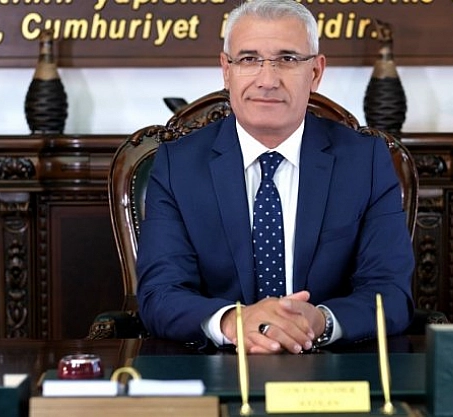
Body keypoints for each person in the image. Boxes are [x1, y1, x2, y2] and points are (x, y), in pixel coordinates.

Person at [136, 0, 414, 354]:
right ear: (226, 70)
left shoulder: (365, 161)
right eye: (249, 59)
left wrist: (320, 321)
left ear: (315, 72)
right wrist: (234, 322)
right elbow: (160, 293)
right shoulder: (178, 165)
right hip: (216, 364)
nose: (267, 81)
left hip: (331, 367)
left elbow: (391, 293)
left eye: (287, 59)